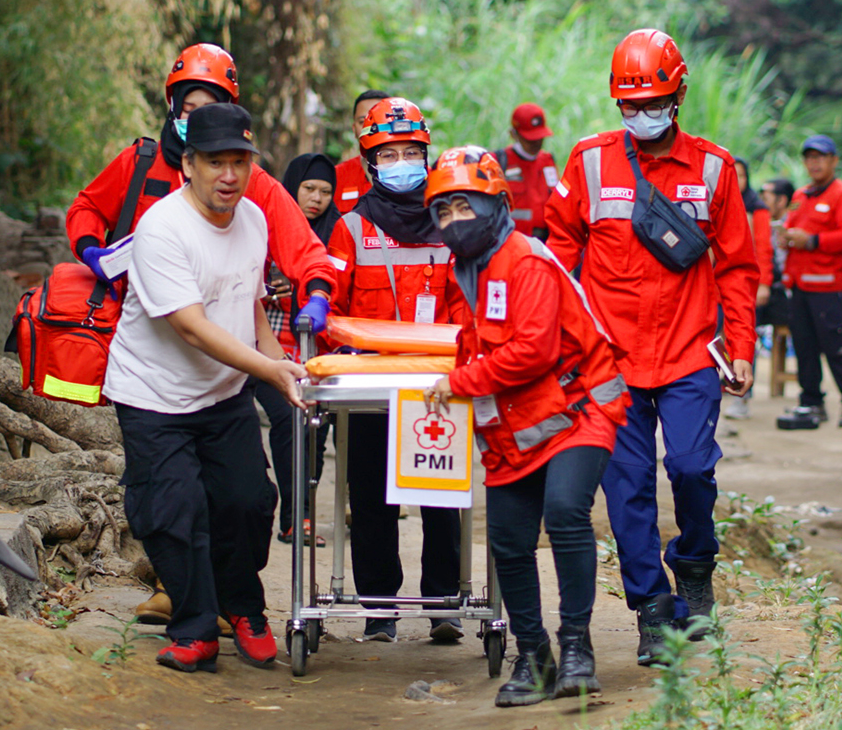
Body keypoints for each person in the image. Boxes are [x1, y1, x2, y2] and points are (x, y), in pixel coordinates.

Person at [66, 43, 337, 626]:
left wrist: (314, 291)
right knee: (166, 490)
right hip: (154, 348)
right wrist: (93, 252)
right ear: (172, 108)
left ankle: (242, 572)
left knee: (250, 479)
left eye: (211, 104)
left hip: (234, 346)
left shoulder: (253, 185)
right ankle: (180, 591)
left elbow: (301, 248)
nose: (225, 171)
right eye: (189, 105)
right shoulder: (140, 165)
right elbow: (86, 208)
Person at [545, 28, 758, 666]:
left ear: (679, 95)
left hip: (690, 353)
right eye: (629, 106)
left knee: (692, 468)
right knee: (626, 485)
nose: (641, 115)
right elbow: (558, 254)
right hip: (608, 360)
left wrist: (740, 343)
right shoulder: (586, 162)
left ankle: (694, 565)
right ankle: (653, 611)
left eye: (654, 102)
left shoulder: (714, 169)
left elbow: (739, 266)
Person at [103, 103, 308, 674]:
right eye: (216, 162)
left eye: (240, 162)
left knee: (248, 502)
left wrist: (282, 361)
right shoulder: (161, 228)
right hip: (154, 396)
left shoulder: (254, 220)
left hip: (223, 395)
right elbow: (191, 326)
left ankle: (243, 607)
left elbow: (250, 305)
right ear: (188, 164)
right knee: (176, 510)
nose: (229, 175)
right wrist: (267, 372)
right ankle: (195, 628)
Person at [422, 146, 628, 706]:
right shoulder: (461, 273)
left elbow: (532, 351)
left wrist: (459, 384)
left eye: (464, 206)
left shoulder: (528, 261)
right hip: (515, 427)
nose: (453, 221)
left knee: (564, 513)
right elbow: (463, 343)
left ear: (497, 203)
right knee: (509, 543)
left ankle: (577, 647)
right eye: (442, 212)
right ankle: (533, 657)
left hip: (580, 411)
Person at [326, 97, 468, 643]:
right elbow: (333, 304)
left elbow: (463, 300)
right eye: (390, 154)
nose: (402, 162)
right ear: (370, 162)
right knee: (371, 498)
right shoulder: (352, 228)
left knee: (439, 495)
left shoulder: (450, 221)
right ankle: (380, 607)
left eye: (412, 151)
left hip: (436, 384)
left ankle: (443, 606)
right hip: (368, 386)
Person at [263, 153, 340, 545]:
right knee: (285, 422)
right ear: (291, 185)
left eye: (326, 191)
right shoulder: (263, 223)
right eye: (309, 188)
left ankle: (302, 517)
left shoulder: (337, 232)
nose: (316, 198)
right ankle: (286, 514)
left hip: (316, 349)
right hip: (263, 343)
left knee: (317, 430)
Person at [777, 135, 842, 429]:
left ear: (834, 161)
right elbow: (790, 227)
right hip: (799, 286)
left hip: (829, 287)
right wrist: (785, 236)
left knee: (837, 346)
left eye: (820, 157)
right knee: (804, 346)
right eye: (809, 157)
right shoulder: (800, 195)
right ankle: (811, 402)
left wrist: (812, 240)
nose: (814, 163)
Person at [723, 157, 773, 421]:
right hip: (715, 283)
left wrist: (763, 284)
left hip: (746, 283)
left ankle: (743, 395)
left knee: (742, 336)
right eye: (734, 175)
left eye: (742, 176)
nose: (738, 181)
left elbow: (764, 249)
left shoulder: (757, 208)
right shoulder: (716, 202)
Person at [495, 103, 559, 240]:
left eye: (540, 138)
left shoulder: (548, 161)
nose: (536, 143)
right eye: (530, 139)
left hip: (546, 243)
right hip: (513, 242)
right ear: (514, 134)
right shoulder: (499, 162)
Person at [333, 89, 389, 214]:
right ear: (354, 129)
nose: (370, 128)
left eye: (378, 119)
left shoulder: (418, 175)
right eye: (363, 121)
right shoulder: (336, 177)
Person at [757, 177, 795, 331]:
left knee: (784, 330)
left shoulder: (793, 225)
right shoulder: (764, 223)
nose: (761, 203)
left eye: (765, 199)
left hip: (788, 289)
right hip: (769, 286)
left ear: (781, 200)